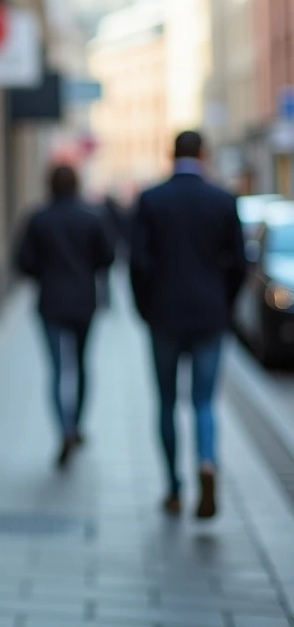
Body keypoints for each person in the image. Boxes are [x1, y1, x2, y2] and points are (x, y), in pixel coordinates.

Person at [130, 130, 246, 519]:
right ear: (203, 154)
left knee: (166, 402)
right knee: (204, 401)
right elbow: (240, 264)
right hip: (209, 315)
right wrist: (224, 304)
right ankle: (207, 461)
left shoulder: (152, 199)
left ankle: (173, 487)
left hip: (164, 315)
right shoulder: (223, 199)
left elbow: (137, 262)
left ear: (171, 154)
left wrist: (145, 308)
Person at [15, 164, 115, 467]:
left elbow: (22, 261)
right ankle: (77, 425)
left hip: (51, 303)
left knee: (57, 370)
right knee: (82, 365)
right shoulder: (91, 217)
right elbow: (108, 257)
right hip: (84, 302)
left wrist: (45, 274)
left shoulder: (38, 218)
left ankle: (64, 429)